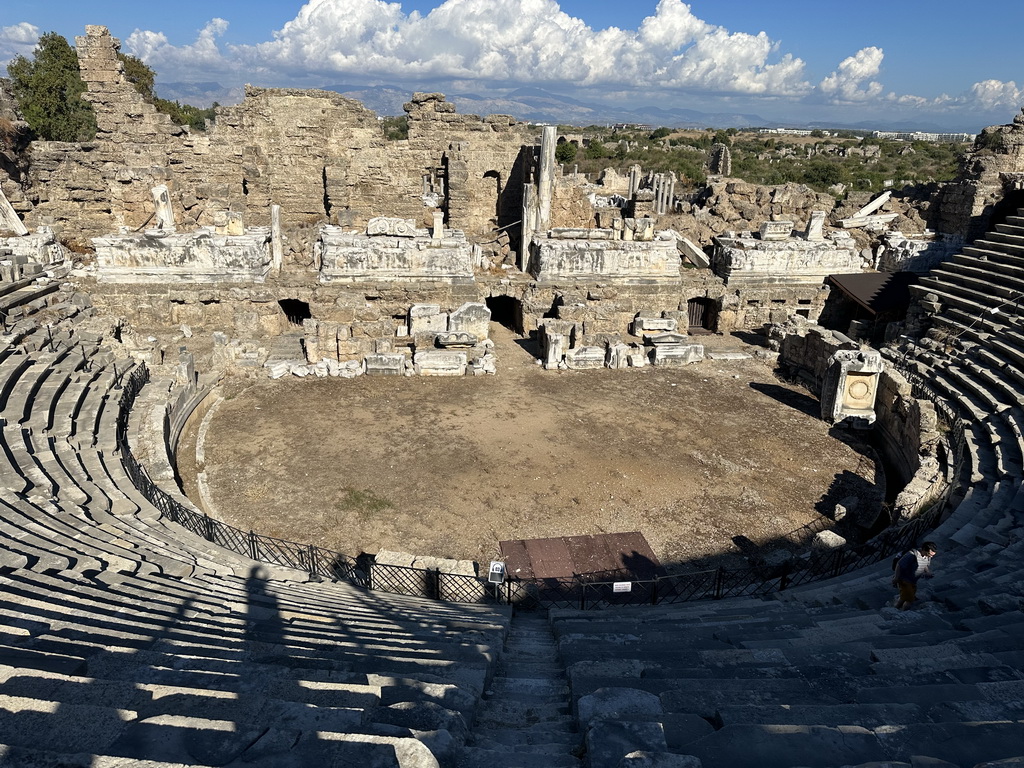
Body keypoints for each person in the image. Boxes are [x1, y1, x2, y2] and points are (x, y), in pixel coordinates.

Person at [894, 541, 937, 610]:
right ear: (923, 550)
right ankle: (903, 612)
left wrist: (928, 572)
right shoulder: (911, 555)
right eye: (929, 554)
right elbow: (899, 565)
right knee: (910, 600)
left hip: (913, 581)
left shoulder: (927, 556)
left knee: (904, 597)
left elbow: (925, 564)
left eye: (932, 555)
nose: (931, 556)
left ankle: (896, 608)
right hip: (904, 580)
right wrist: (896, 578)